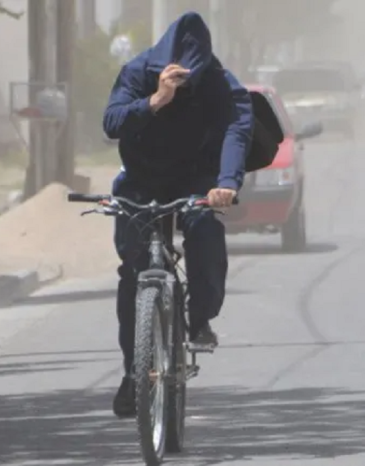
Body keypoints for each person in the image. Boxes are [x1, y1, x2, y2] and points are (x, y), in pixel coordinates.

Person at [102, 12, 253, 418]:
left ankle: (200, 316)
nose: (184, 86)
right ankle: (133, 373)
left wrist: (226, 183)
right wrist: (154, 101)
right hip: (141, 179)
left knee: (204, 229)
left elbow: (237, 130)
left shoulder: (220, 84)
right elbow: (111, 122)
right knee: (132, 269)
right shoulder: (137, 72)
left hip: (194, 179)